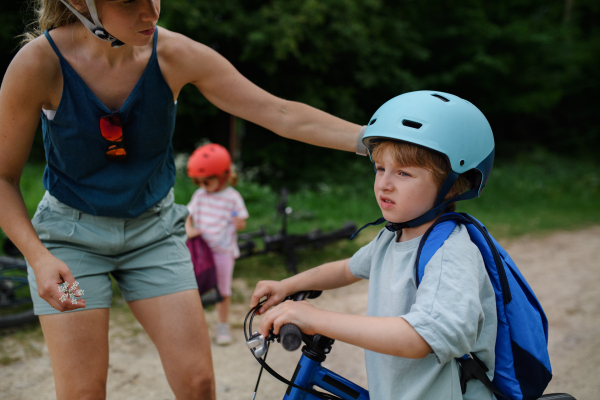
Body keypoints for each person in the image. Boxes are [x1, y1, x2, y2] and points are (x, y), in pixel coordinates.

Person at [0, 1, 365, 399]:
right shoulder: (38, 64)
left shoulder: (174, 54)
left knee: (198, 385)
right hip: (69, 245)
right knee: (82, 394)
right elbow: (2, 178)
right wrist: (37, 257)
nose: (151, 12)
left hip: (153, 236)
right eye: (129, 2)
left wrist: (374, 139)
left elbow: (278, 112)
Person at [250, 91, 498, 399]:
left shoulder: (451, 252)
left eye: (404, 173)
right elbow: (345, 269)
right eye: (380, 168)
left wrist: (315, 317)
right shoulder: (392, 237)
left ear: (454, 186)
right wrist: (286, 285)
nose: (384, 183)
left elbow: (419, 338)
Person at [185, 143, 248, 345]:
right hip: (201, 252)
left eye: (207, 181)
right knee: (194, 289)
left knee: (222, 291)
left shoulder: (232, 197)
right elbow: (187, 215)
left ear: (222, 176)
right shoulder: (200, 196)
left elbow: (241, 221)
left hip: (223, 252)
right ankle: (195, 328)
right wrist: (189, 228)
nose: (202, 185)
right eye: (199, 181)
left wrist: (240, 223)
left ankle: (222, 326)